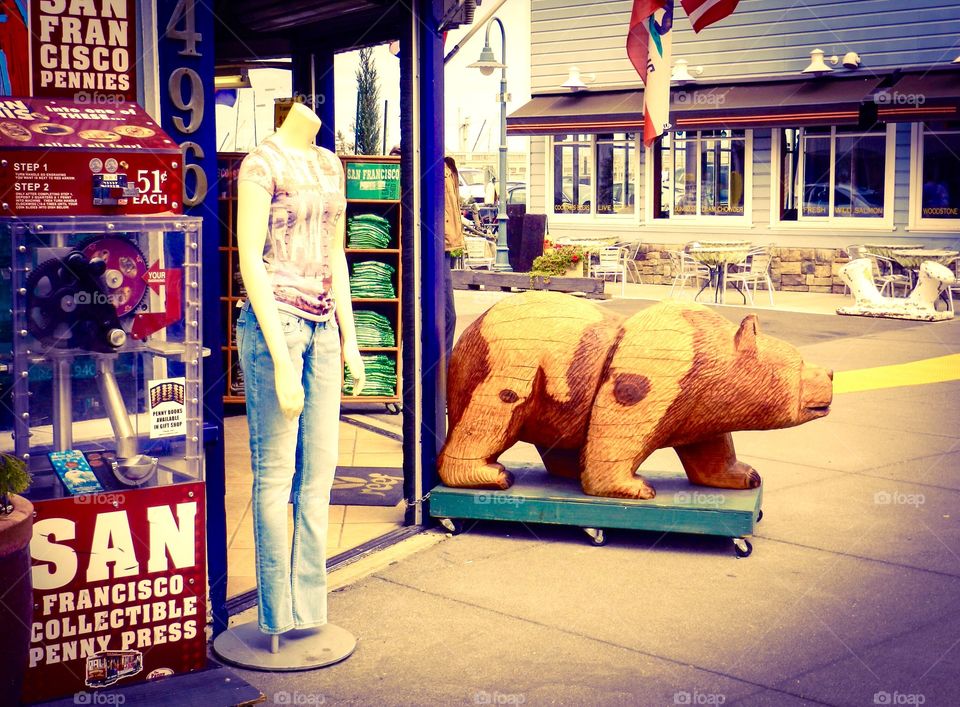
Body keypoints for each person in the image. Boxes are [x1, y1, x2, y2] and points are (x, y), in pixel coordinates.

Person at [235, 103, 365, 638]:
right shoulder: (260, 164)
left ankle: (309, 611)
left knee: (320, 473)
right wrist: (283, 365)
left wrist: (351, 338)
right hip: (277, 325)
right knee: (275, 475)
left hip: (323, 324)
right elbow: (249, 259)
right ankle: (275, 615)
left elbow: (337, 256)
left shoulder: (332, 165)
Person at [443, 156, 466, 358]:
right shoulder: (434, 164)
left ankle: (441, 370)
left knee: (446, 317)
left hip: (443, 248)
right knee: (447, 316)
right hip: (436, 248)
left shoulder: (446, 165)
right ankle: (441, 371)